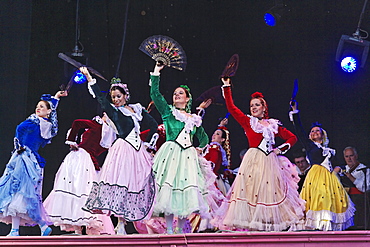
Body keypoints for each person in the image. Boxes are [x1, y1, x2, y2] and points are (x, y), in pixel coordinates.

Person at [213, 78, 305, 232]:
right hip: (253, 160)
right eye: (251, 106)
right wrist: (227, 86)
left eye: (257, 105)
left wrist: (280, 149)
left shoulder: (273, 125)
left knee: (269, 192)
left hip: (270, 161)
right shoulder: (247, 121)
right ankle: (254, 231)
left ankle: (267, 230)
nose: (254, 108)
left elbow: (292, 138)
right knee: (252, 191)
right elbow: (231, 106)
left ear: (264, 107)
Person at [80, 67, 158, 235]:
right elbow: (101, 99)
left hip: (138, 151)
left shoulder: (137, 109)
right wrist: (89, 78)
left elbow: (152, 125)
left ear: (125, 96)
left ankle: (133, 222)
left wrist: (149, 144)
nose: (115, 100)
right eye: (113, 97)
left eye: (118, 96)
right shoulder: (113, 112)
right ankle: (120, 223)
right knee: (121, 183)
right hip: (123, 150)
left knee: (138, 183)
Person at [149, 63, 211, 234]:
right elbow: (155, 94)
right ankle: (169, 229)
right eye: (175, 93)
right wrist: (156, 72)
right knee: (170, 188)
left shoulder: (194, 119)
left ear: (187, 98)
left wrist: (200, 148)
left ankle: (179, 228)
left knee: (184, 190)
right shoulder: (169, 112)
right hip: (172, 153)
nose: (176, 95)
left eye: (180, 93)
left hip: (188, 156)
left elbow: (204, 137)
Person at [0, 90, 68, 236]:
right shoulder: (34, 120)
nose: (38, 108)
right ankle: (18, 229)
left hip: (28, 160)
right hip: (19, 158)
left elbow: (51, 119)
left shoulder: (43, 125)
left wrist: (54, 101)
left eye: (42, 107)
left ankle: (40, 226)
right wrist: (55, 98)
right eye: (38, 106)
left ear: (48, 111)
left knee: (24, 194)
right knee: (16, 194)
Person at [44, 114, 115, 235]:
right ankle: (81, 229)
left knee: (78, 190)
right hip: (90, 161)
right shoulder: (109, 134)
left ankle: (79, 229)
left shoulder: (98, 125)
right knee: (82, 192)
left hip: (81, 157)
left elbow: (77, 122)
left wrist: (71, 141)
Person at [289, 101, 355, 230]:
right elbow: (299, 130)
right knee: (318, 197)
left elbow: (339, 164)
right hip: (316, 175)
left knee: (331, 199)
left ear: (322, 134)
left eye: (317, 131)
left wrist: (335, 172)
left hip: (330, 177)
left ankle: (328, 225)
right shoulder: (310, 146)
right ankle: (316, 225)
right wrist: (295, 111)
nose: (315, 132)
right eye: (313, 131)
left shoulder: (331, 150)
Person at [334, 147, 370, 230]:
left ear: (356, 156)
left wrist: (351, 178)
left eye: (351, 156)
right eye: (347, 156)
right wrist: (335, 173)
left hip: (360, 203)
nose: (349, 159)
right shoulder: (342, 169)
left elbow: (365, 188)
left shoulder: (365, 170)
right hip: (345, 203)